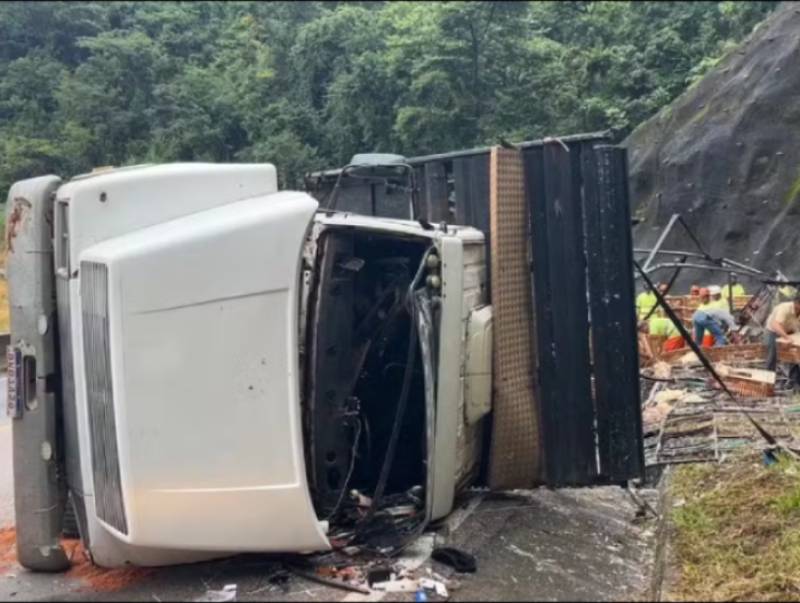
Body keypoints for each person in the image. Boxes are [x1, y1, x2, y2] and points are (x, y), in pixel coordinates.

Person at [764, 295, 800, 371]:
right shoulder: (784, 308)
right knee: (772, 356)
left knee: (793, 356)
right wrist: (787, 337)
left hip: (790, 330)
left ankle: (794, 377)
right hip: (773, 331)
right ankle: (768, 378)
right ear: (796, 304)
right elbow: (775, 324)